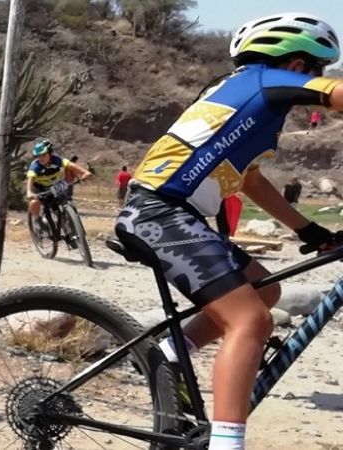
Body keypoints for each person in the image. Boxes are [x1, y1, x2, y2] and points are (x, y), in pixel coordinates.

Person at [115, 13, 343, 450]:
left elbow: (251, 181)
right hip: (158, 211)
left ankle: (167, 355)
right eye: (316, 70)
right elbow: (335, 94)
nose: (315, 80)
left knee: (264, 291)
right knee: (250, 320)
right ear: (296, 66)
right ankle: (226, 444)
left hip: (173, 214)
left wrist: (310, 229)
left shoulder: (242, 100)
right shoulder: (263, 82)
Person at [26, 139, 92, 229]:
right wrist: (29, 192)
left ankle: (68, 225)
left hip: (53, 186)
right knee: (34, 202)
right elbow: (30, 179)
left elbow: (71, 165)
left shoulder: (57, 160)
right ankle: (38, 220)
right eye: (38, 156)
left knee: (59, 205)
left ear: (50, 153)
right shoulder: (35, 166)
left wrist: (84, 172)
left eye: (44, 155)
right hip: (38, 188)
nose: (41, 158)